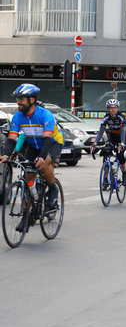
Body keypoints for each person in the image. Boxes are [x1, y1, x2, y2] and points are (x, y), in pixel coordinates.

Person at [0, 84, 63, 231]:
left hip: (53, 143)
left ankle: (53, 188)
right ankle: (26, 215)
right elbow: (12, 139)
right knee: (27, 177)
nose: (18, 102)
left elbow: (47, 139)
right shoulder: (17, 116)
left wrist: (42, 158)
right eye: (18, 99)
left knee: (43, 164)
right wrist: (5, 155)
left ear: (32, 99)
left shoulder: (45, 115)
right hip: (33, 146)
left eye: (21, 99)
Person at [91, 99, 126, 185]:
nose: (112, 109)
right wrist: (95, 142)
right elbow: (101, 131)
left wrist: (122, 143)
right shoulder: (106, 118)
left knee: (120, 154)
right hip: (112, 137)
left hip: (121, 137)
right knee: (106, 152)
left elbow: (122, 131)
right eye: (110, 108)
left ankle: (124, 173)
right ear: (108, 109)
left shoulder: (121, 117)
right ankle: (106, 178)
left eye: (114, 107)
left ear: (117, 108)